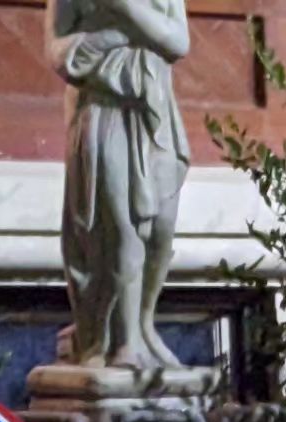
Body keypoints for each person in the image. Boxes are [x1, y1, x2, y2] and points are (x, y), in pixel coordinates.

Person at [46, 0, 191, 369]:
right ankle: (120, 343)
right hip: (103, 110)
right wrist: (124, 35)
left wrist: (122, 9)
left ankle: (143, 327)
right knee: (120, 230)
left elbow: (178, 42)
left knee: (160, 231)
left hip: (155, 110)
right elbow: (58, 53)